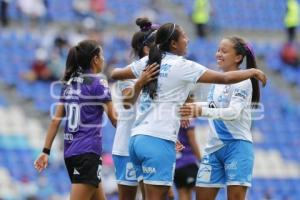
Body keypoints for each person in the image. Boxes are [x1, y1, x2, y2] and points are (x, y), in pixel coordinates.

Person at [110, 23, 267, 200]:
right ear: (174, 44)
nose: (188, 39)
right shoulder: (184, 66)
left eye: (223, 51)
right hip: (159, 141)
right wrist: (252, 71)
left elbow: (115, 74)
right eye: (184, 36)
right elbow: (224, 79)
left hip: (137, 140)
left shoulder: (149, 62)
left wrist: (193, 107)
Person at [179, 36, 262, 200]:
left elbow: (233, 112)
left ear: (238, 57)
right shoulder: (216, 82)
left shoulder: (243, 81)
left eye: (224, 51)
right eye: (218, 50)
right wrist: (192, 108)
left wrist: (201, 110)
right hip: (213, 149)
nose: (218, 54)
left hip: (237, 148)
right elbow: (212, 105)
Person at [34, 40, 117, 200]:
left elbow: (55, 121)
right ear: (95, 59)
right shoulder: (98, 82)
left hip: (71, 153)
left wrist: (46, 151)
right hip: (87, 153)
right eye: (102, 55)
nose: (104, 59)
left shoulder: (69, 84)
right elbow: (114, 119)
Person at [111, 17, 159, 200]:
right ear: (147, 49)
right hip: (126, 146)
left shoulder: (162, 74)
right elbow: (127, 102)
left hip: (150, 145)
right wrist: (140, 82)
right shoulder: (127, 74)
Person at [174, 117, 201, 200]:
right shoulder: (188, 116)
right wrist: (200, 160)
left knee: (183, 193)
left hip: (176, 164)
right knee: (203, 191)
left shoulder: (173, 115)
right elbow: (192, 140)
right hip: (188, 162)